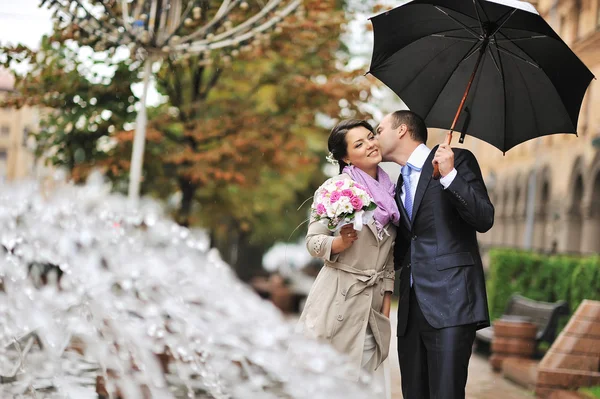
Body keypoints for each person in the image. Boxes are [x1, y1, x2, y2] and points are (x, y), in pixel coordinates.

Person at [376, 110, 494, 399]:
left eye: (379, 130)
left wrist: (450, 176)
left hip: (452, 301)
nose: (374, 138)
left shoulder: (458, 161)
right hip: (412, 310)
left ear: (402, 130)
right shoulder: (399, 184)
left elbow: (484, 218)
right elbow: (405, 245)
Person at [298, 119, 400, 397]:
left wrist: (386, 303)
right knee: (332, 383)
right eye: (359, 144)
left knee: (365, 384)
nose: (370, 145)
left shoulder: (392, 192)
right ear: (345, 157)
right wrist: (339, 243)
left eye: (370, 137)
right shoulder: (334, 189)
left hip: (374, 307)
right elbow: (313, 242)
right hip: (338, 299)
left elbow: (389, 256)